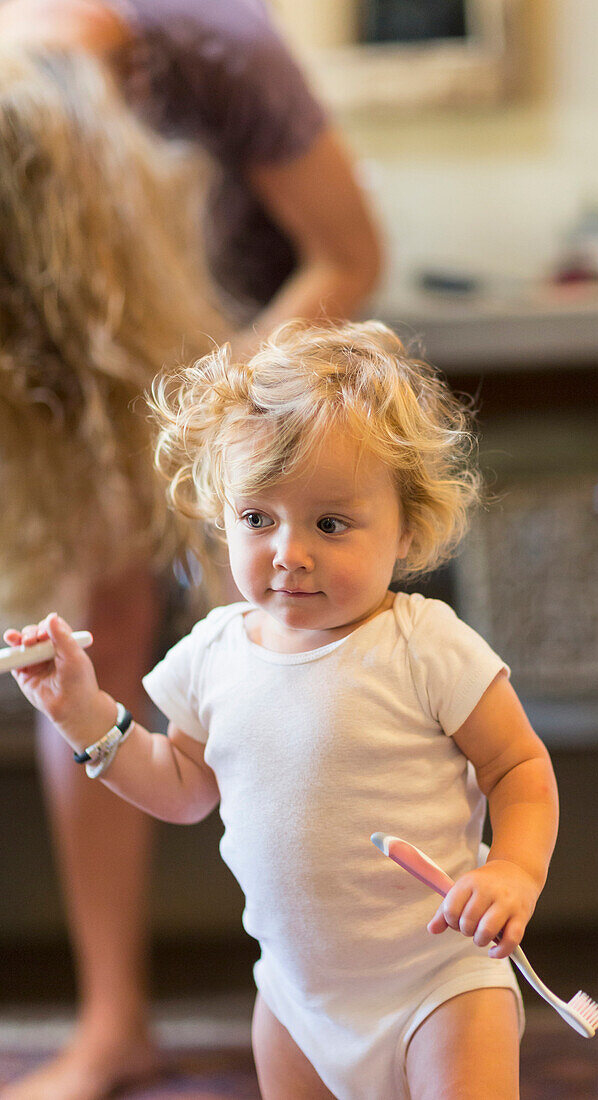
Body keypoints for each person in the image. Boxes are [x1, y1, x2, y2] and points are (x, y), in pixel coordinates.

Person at [5, 320, 560, 1100]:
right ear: (221, 514)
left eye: (330, 524)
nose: (288, 553)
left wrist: (513, 870)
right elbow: (182, 785)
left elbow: (519, 767)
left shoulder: (425, 645)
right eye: (257, 519)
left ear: (407, 527)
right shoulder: (213, 653)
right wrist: (83, 711)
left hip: (440, 985)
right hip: (296, 1001)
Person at [0, 2, 381, 1094]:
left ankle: (372, 984)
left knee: (283, 639)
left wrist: (229, 414)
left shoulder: (223, 50)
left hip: (272, 361)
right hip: (123, 369)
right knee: (93, 621)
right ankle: (113, 1019)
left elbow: (349, 253)